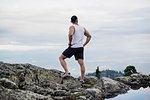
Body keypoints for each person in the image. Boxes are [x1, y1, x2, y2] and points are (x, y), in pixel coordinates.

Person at [59, 15, 91, 83]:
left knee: (61, 58)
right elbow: (89, 36)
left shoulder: (72, 27)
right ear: (77, 20)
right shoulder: (83, 28)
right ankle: (82, 79)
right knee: (81, 64)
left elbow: (70, 34)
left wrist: (70, 43)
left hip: (73, 47)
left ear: (71, 21)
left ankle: (67, 72)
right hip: (80, 48)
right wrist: (83, 44)